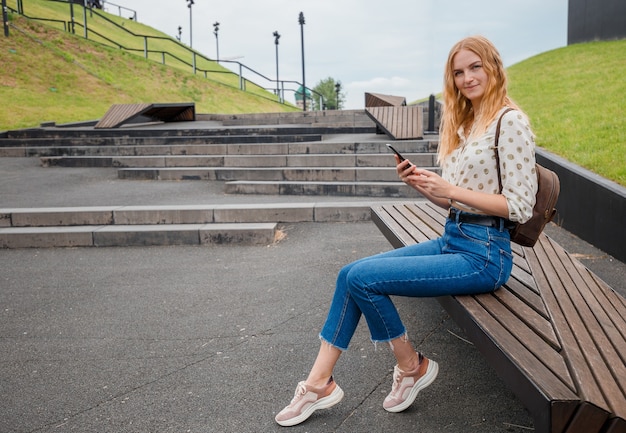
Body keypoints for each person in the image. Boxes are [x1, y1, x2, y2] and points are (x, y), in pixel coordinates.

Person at [274, 35, 538, 427]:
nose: (467, 78)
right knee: (350, 273)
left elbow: (520, 206)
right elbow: (458, 203)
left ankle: (409, 366)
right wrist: (427, 187)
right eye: (459, 72)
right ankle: (318, 384)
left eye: (475, 67)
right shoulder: (469, 125)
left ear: (493, 65)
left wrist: (450, 189)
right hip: (456, 238)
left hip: (485, 255)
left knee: (363, 278)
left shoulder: (510, 122)